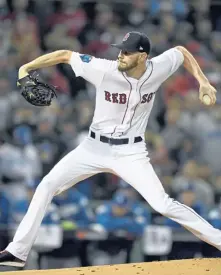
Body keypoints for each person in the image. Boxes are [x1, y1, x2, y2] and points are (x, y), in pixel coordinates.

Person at [0, 31, 219, 268]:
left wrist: (203, 81)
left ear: (143, 56)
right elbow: (64, 54)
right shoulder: (103, 69)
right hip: (93, 148)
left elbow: (181, 52)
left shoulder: (158, 68)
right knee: (46, 186)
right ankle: (17, 252)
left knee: (162, 204)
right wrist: (27, 67)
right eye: (120, 50)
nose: (120, 56)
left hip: (131, 153)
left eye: (127, 52)